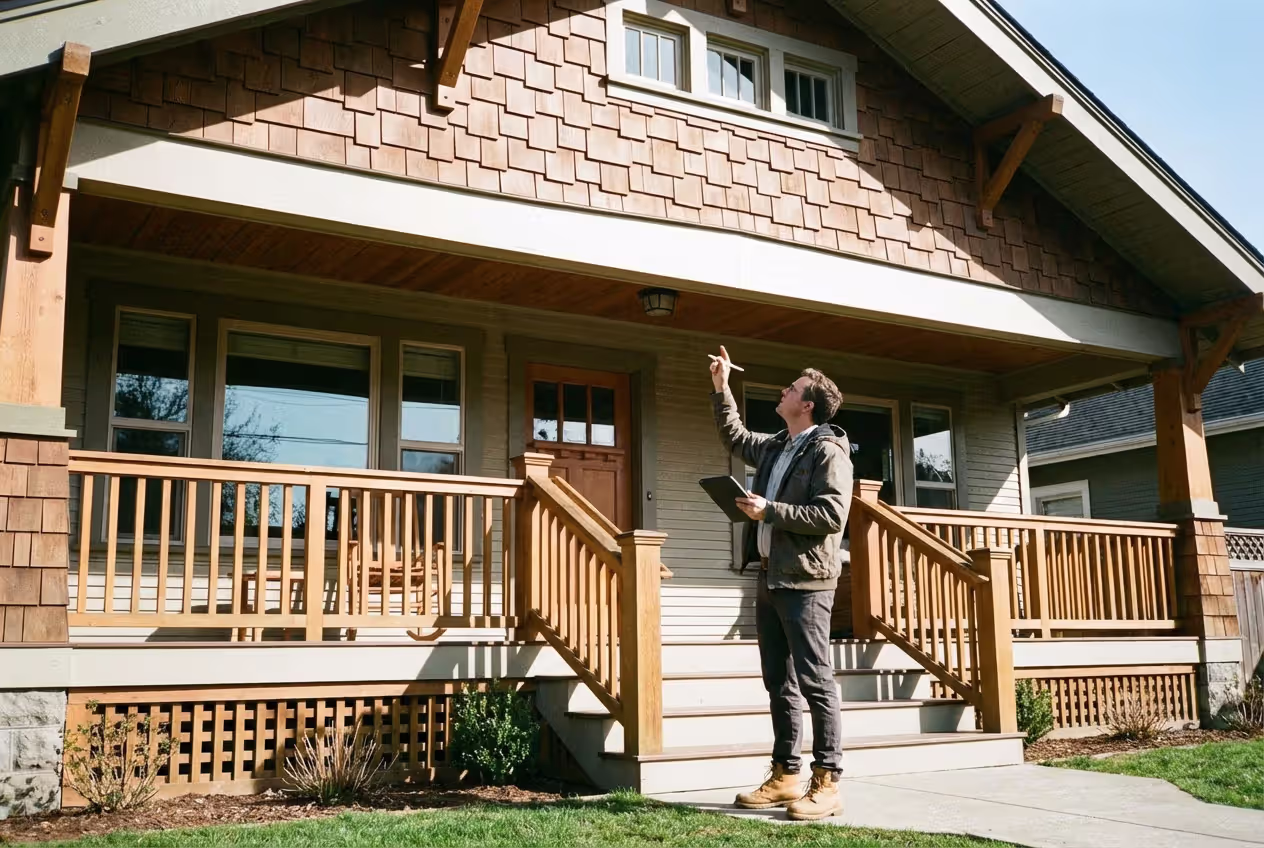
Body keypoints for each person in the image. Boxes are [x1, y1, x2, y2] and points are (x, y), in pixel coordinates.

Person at [709, 345, 853, 821]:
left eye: (791, 388)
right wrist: (721, 387)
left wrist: (769, 510)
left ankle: (827, 781)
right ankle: (786, 774)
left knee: (815, 682)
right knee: (779, 683)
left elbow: (831, 515)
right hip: (770, 578)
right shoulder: (777, 445)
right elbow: (734, 436)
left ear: (807, 404)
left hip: (807, 583)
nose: (783, 391)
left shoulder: (828, 450)